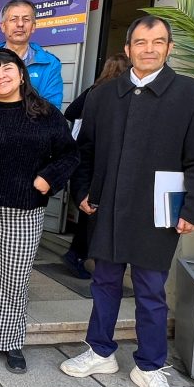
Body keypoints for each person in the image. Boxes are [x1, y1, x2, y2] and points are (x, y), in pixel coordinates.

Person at [60, 16, 194, 387]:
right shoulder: (103, 96)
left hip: (158, 209)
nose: (149, 49)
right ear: (128, 49)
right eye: (141, 42)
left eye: (158, 42)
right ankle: (100, 350)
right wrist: (81, 192)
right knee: (105, 282)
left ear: (169, 48)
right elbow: (84, 153)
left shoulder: (192, 95)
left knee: (150, 290)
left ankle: (149, 366)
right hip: (108, 206)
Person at [0, 48, 78, 375]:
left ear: (21, 73)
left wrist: (47, 180)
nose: (1, 76)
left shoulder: (46, 114)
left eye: (7, 69)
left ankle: (10, 342)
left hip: (25, 211)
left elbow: (70, 155)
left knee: (14, 278)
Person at [61, 51, 129, 279]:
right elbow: (71, 113)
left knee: (88, 208)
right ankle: (78, 254)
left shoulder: (93, 90)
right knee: (92, 209)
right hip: (95, 157)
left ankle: (79, 254)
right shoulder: (104, 95)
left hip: (87, 156)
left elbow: (70, 112)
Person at [0, 0, 64, 107]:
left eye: (26, 19)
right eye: (14, 19)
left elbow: (53, 107)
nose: (20, 24)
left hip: (36, 122)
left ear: (33, 27)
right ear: (3, 26)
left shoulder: (50, 64)